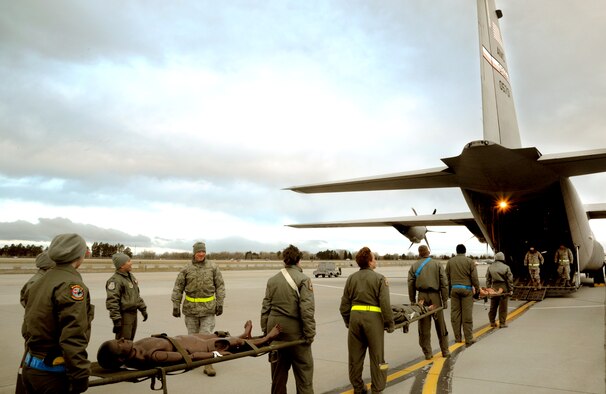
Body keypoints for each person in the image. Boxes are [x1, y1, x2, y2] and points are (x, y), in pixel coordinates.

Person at [21, 233, 94, 394]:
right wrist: (80, 375)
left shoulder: (40, 280)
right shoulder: (71, 285)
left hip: (31, 368)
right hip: (52, 374)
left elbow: (28, 326)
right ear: (78, 256)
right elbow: (73, 336)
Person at [97, 320, 281, 370]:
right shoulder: (152, 356)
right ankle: (265, 339)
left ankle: (244, 335)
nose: (123, 339)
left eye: (119, 339)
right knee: (233, 344)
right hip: (198, 347)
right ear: (121, 357)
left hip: (188, 338)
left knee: (224, 335)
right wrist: (216, 355)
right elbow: (189, 358)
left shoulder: (133, 349)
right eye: (120, 343)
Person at [261, 244, 315, 394]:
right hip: (295, 332)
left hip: (275, 331)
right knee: (304, 373)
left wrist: (267, 334)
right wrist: (309, 334)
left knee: (278, 376)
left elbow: (265, 308)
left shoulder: (272, 280)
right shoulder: (303, 279)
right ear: (298, 260)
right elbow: (307, 310)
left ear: (284, 260)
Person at [340, 246, 394, 394]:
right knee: (377, 357)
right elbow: (385, 304)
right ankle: (377, 388)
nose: (375, 261)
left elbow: (344, 305)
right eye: (374, 258)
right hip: (373, 320)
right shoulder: (380, 278)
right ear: (370, 262)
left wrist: (348, 321)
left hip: (355, 319)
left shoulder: (351, 278)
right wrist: (389, 323)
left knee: (355, 357)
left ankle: (358, 387)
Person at [171, 241, 225, 377]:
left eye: (203, 252)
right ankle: (193, 360)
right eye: (199, 252)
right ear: (194, 253)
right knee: (192, 338)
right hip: (191, 311)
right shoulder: (186, 269)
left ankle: (208, 364)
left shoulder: (213, 267)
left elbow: (220, 286)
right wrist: (176, 305)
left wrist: (220, 303)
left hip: (208, 310)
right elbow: (178, 287)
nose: (201, 254)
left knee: (206, 337)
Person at [408, 245, 449, 359]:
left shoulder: (414, 266)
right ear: (428, 252)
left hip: (421, 297)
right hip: (435, 296)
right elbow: (444, 283)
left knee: (424, 326)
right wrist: (444, 299)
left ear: (419, 253)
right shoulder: (437, 264)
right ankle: (445, 351)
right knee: (440, 324)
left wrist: (412, 300)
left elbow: (410, 284)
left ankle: (428, 353)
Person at [105, 252, 148, 340]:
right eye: (128, 261)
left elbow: (136, 296)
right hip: (124, 316)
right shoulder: (115, 281)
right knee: (123, 344)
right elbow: (112, 301)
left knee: (130, 342)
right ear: (121, 265)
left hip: (133, 314)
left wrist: (143, 309)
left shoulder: (130, 277)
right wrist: (116, 320)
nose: (131, 263)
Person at [445, 244, 480, 347]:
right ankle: (469, 339)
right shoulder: (469, 261)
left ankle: (458, 338)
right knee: (467, 315)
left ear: (456, 251)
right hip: (466, 290)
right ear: (465, 251)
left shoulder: (450, 262)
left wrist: (448, 292)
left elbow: (446, 278)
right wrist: (477, 289)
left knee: (455, 314)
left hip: (454, 290)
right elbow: (474, 277)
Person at [485, 252, 514, 328]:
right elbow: (509, 279)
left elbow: (488, 279)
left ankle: (492, 322)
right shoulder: (506, 267)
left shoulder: (490, 267)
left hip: (494, 287)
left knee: (493, 306)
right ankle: (502, 323)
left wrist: (489, 289)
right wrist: (511, 289)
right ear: (502, 258)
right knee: (503, 307)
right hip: (503, 287)